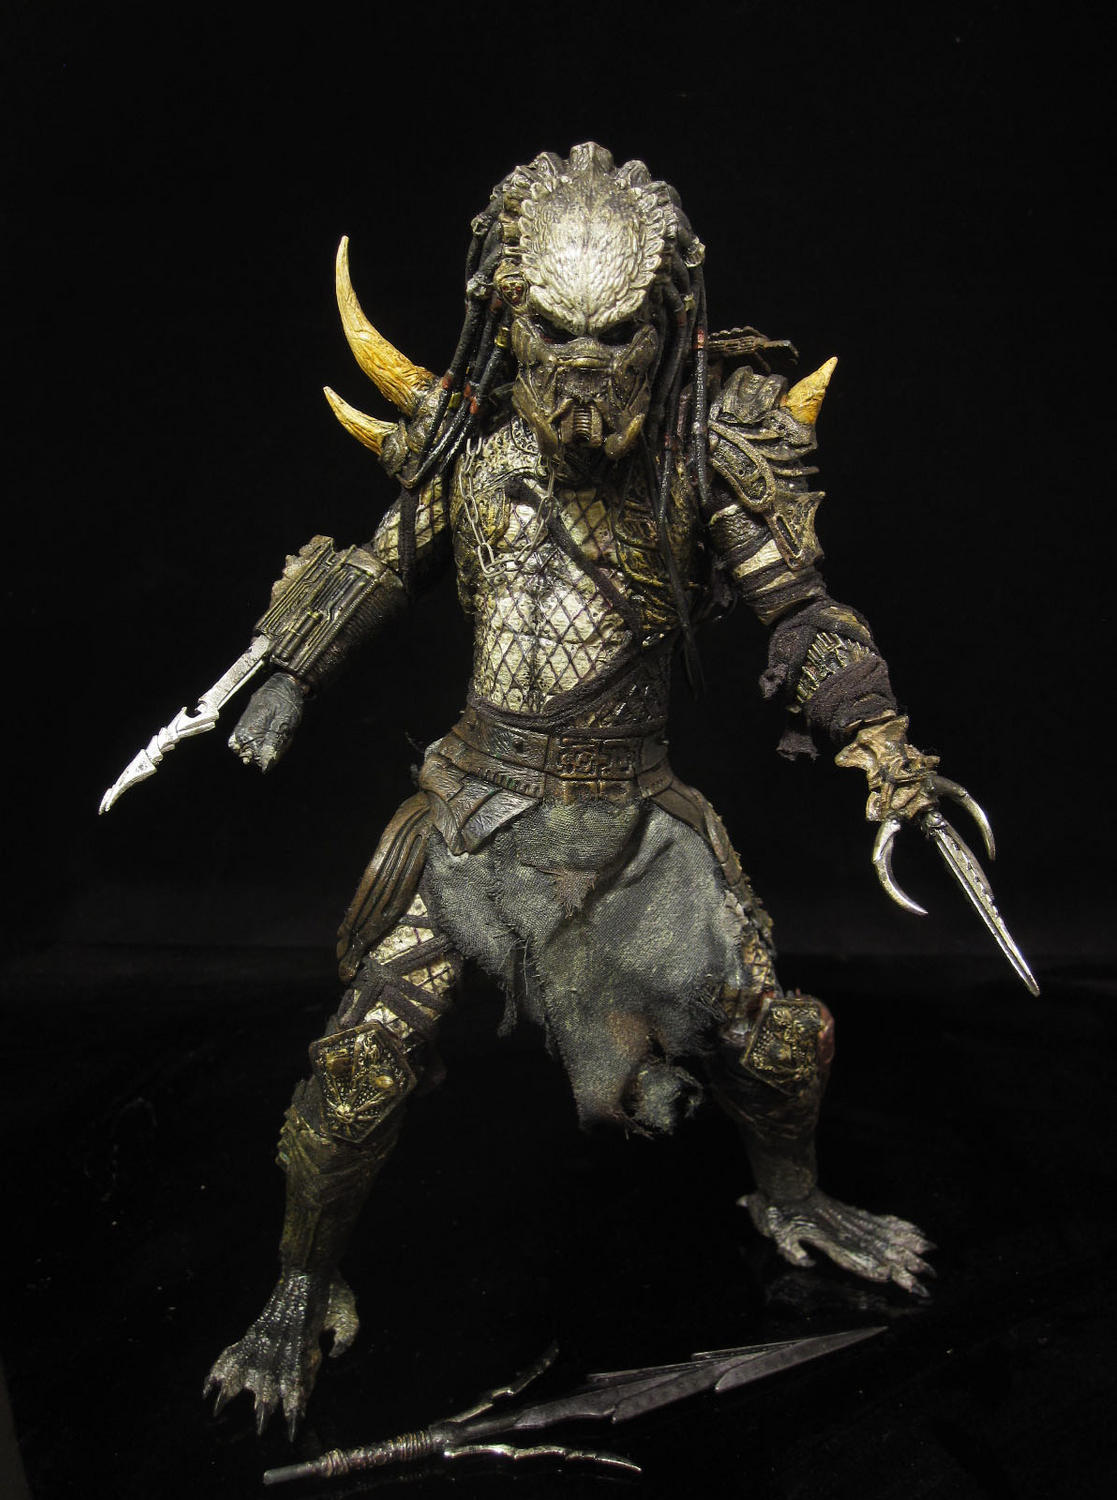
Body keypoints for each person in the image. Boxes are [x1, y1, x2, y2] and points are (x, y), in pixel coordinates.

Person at [206, 142, 947, 1436]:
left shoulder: (699, 475)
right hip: (476, 819)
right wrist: (290, 674)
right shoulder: (474, 463)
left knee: (780, 1045)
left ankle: (790, 1197)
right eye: (557, 333)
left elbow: (801, 609)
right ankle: (299, 1287)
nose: (588, 366)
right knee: (361, 1065)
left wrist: (873, 730)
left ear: (668, 324)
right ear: (509, 315)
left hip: (638, 833)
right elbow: (377, 565)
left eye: (619, 336)